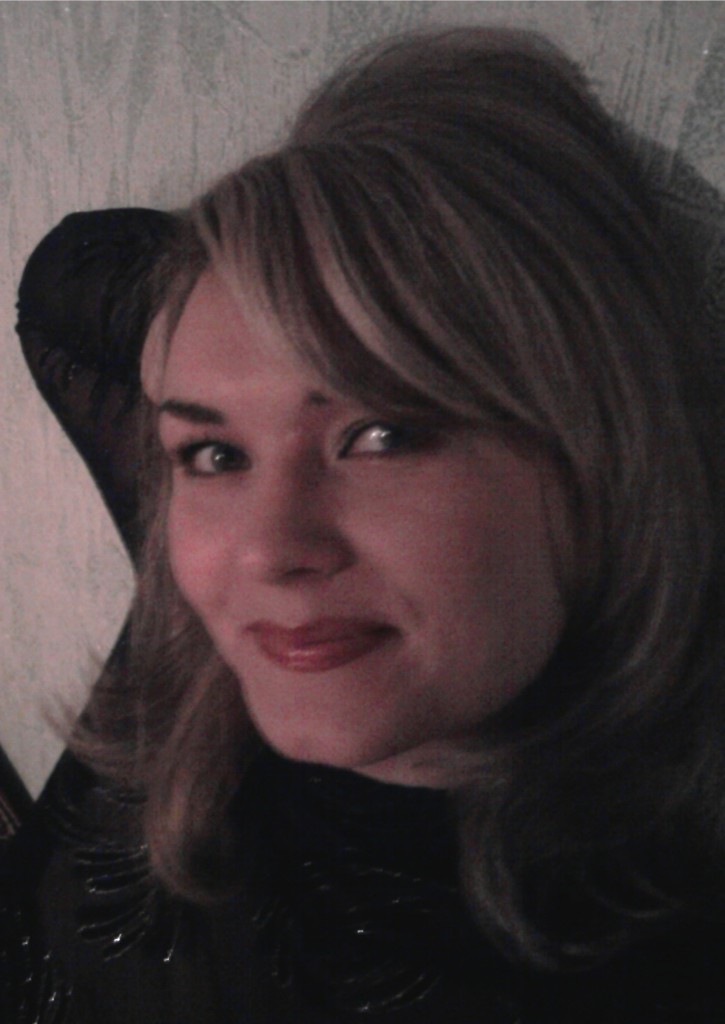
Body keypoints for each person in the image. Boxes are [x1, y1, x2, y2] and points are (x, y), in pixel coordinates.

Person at [3, 25, 725, 1024]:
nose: (264, 552)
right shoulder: (195, 629)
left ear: (603, 456)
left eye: (383, 433)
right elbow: (68, 282)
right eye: (213, 453)